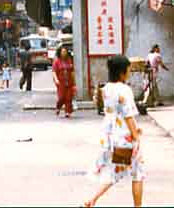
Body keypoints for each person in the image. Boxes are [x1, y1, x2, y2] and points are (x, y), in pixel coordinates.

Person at [84, 54, 145, 207]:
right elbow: (128, 115)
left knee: (113, 173)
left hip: (111, 137)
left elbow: (114, 113)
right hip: (126, 138)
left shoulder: (105, 89)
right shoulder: (124, 90)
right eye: (128, 70)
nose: (129, 72)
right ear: (122, 72)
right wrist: (136, 136)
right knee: (138, 173)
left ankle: (91, 200)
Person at [52, 46, 76, 118]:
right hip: (61, 82)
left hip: (69, 81)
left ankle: (67, 112)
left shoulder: (69, 60)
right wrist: (56, 80)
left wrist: (74, 82)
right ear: (60, 52)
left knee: (69, 97)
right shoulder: (57, 61)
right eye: (62, 52)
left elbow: (72, 72)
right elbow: (54, 72)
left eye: (65, 52)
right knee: (61, 97)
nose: (64, 53)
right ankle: (58, 107)